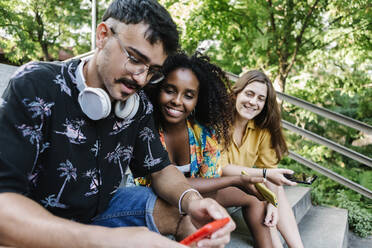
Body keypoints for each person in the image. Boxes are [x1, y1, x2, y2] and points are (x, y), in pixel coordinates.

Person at [0, 1, 235, 247]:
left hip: (101, 214)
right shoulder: (35, 85)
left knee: (187, 217)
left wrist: (193, 201)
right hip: (35, 227)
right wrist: (107, 241)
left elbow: (161, 169)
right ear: (102, 35)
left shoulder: (139, 105)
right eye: (135, 59)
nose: (141, 78)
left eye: (153, 70)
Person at [136, 52, 296, 245]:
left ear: (198, 99)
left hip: (197, 197)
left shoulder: (204, 135)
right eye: (170, 90)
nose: (177, 101)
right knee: (193, 222)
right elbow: (164, 185)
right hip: (155, 201)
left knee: (256, 197)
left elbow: (211, 180)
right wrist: (237, 180)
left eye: (188, 95)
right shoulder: (146, 129)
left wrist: (265, 197)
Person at [220, 70, 304, 248]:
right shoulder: (218, 122)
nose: (253, 102)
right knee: (260, 189)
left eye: (260, 98)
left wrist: (273, 203)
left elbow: (269, 167)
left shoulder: (261, 129)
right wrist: (265, 174)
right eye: (249, 94)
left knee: (273, 190)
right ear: (236, 94)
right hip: (214, 184)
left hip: (242, 181)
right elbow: (221, 168)